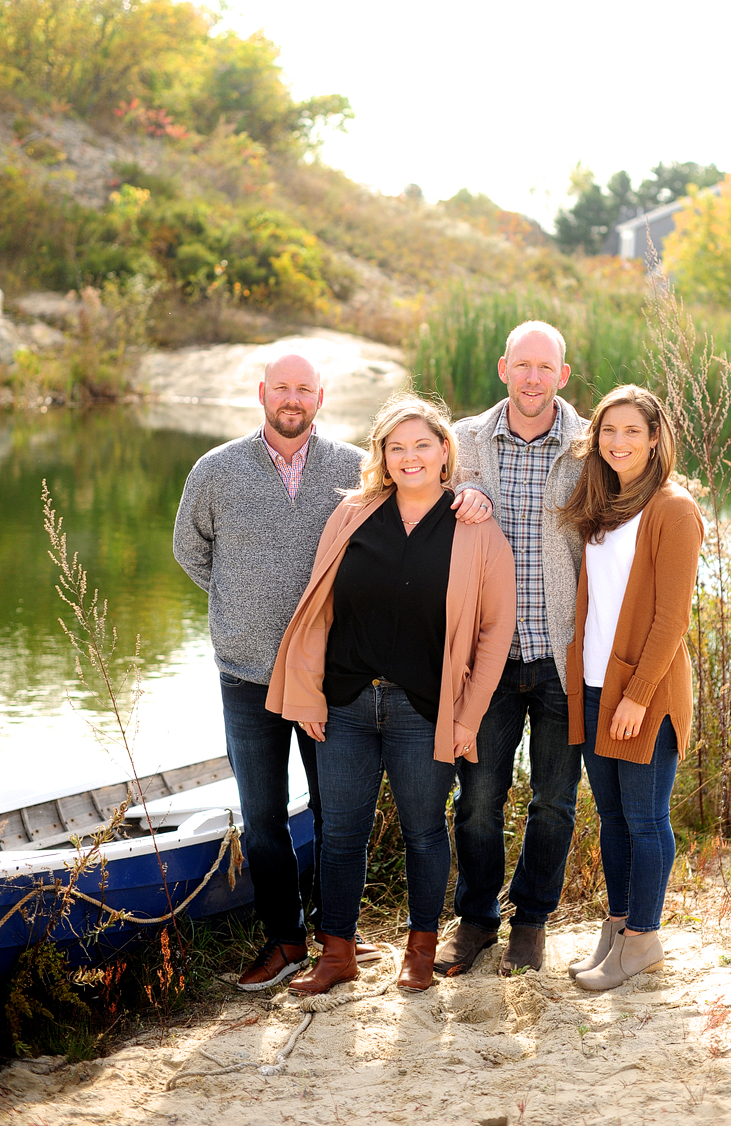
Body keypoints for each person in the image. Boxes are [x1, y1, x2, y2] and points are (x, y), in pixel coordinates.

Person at [173, 355, 494, 991]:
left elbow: (422, 492)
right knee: (263, 816)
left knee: (336, 816)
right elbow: (191, 551)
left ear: (321, 396)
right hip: (251, 673)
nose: (291, 399)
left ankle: (339, 938)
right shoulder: (216, 469)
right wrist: (243, 608)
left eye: (304, 389)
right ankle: (290, 941)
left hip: (343, 683)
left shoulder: (355, 471)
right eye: (281, 388)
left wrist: (471, 495)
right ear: (262, 392)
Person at [265, 395, 516, 994]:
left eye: (422, 445)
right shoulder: (353, 513)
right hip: (347, 703)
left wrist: (467, 720)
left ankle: (421, 949)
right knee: (342, 833)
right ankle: (337, 953)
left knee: (424, 831)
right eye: (396, 447)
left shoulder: (473, 526)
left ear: (445, 451)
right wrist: (309, 696)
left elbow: (494, 632)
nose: (409, 457)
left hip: (425, 711)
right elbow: (318, 608)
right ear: (381, 455)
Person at [435, 320, 586, 978]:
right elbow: (412, 492)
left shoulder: (590, 446)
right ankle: (474, 921)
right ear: (503, 369)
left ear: (562, 375)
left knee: (555, 799)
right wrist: (454, 497)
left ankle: (531, 921)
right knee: (477, 800)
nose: (532, 377)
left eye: (543, 366)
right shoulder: (463, 441)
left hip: (562, 657)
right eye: (521, 364)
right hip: (486, 661)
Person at [559, 384, 703, 991]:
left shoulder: (672, 508)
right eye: (608, 431)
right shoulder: (604, 504)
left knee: (646, 818)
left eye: (632, 432)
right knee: (612, 816)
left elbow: (672, 618)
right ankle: (618, 928)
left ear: (653, 439)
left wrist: (639, 696)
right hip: (594, 685)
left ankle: (644, 938)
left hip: (642, 690)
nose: (619, 443)